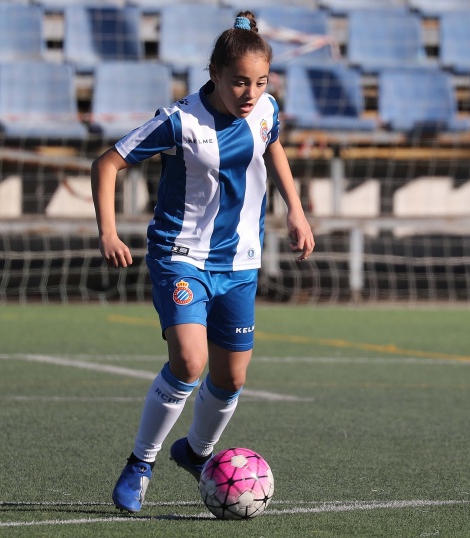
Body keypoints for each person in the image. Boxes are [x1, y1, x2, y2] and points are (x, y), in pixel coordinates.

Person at [91, 11, 315, 513]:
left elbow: (273, 146)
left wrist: (296, 212)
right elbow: (107, 163)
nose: (250, 92)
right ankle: (140, 464)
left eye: (260, 81)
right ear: (214, 73)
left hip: (240, 263)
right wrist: (108, 231)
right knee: (189, 362)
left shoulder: (266, 110)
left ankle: (195, 452)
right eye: (239, 81)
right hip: (180, 256)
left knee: (231, 378)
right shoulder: (181, 121)